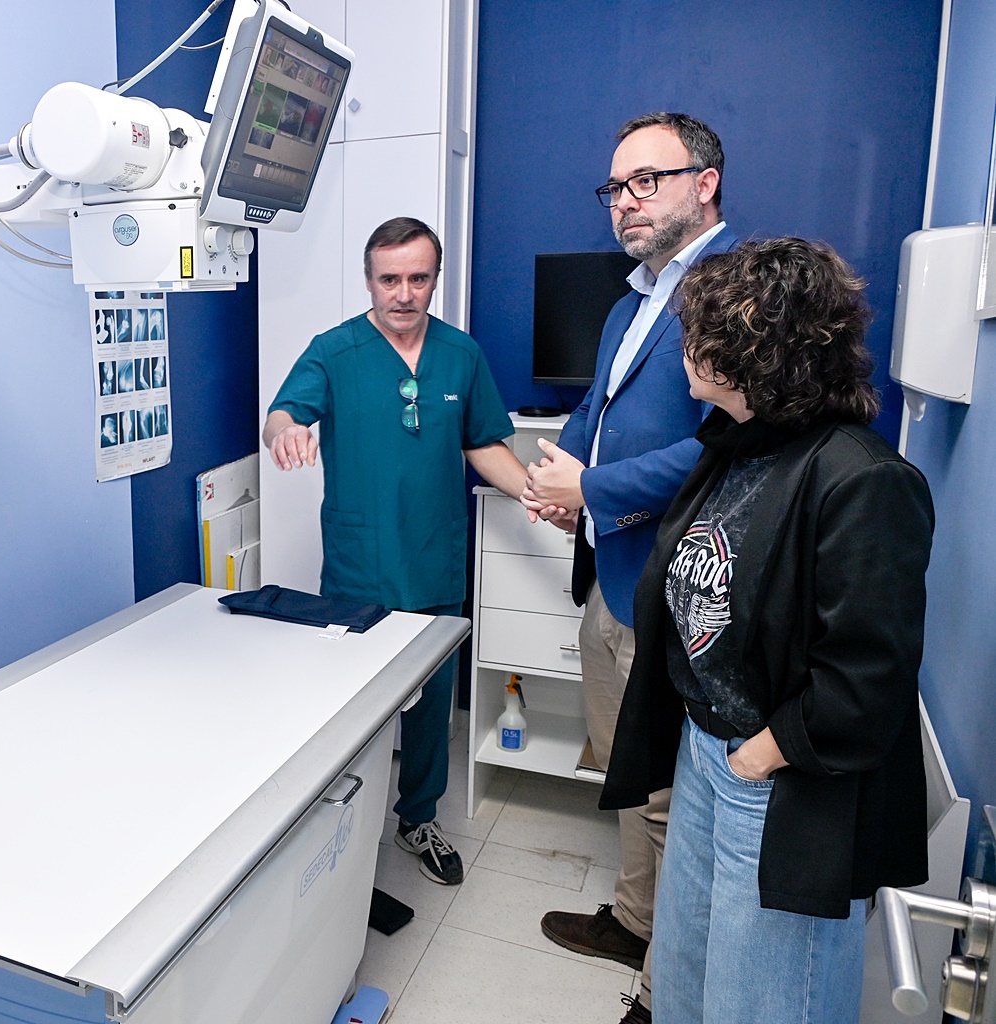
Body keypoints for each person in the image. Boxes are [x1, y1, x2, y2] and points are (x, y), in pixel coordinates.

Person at [602, 237, 933, 1023]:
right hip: (709, 749)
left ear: (755, 353)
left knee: (763, 1003)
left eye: (700, 335)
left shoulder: (865, 480)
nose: (686, 349)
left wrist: (760, 754)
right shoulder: (741, 443)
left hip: (779, 778)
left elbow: (866, 682)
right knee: (685, 987)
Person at [525, 112, 737, 1024]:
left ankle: (667, 970)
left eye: (647, 180)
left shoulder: (735, 293)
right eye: (615, 188)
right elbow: (594, 415)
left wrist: (596, 488)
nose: (626, 202)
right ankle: (634, 918)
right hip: (613, 576)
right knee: (625, 766)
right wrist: (556, 477)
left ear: (707, 181)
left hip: (678, 586)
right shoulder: (630, 301)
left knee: (672, 791)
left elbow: (723, 447)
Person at [264, 216, 528, 885]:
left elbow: (483, 445)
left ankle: (417, 818)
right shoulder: (336, 350)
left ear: (434, 277)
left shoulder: (461, 355)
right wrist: (287, 430)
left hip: (434, 555)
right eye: (390, 279)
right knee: (353, 702)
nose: (404, 293)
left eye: (418, 278)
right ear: (369, 280)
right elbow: (283, 414)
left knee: (433, 706)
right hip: (361, 562)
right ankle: (340, 823)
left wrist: (537, 494)